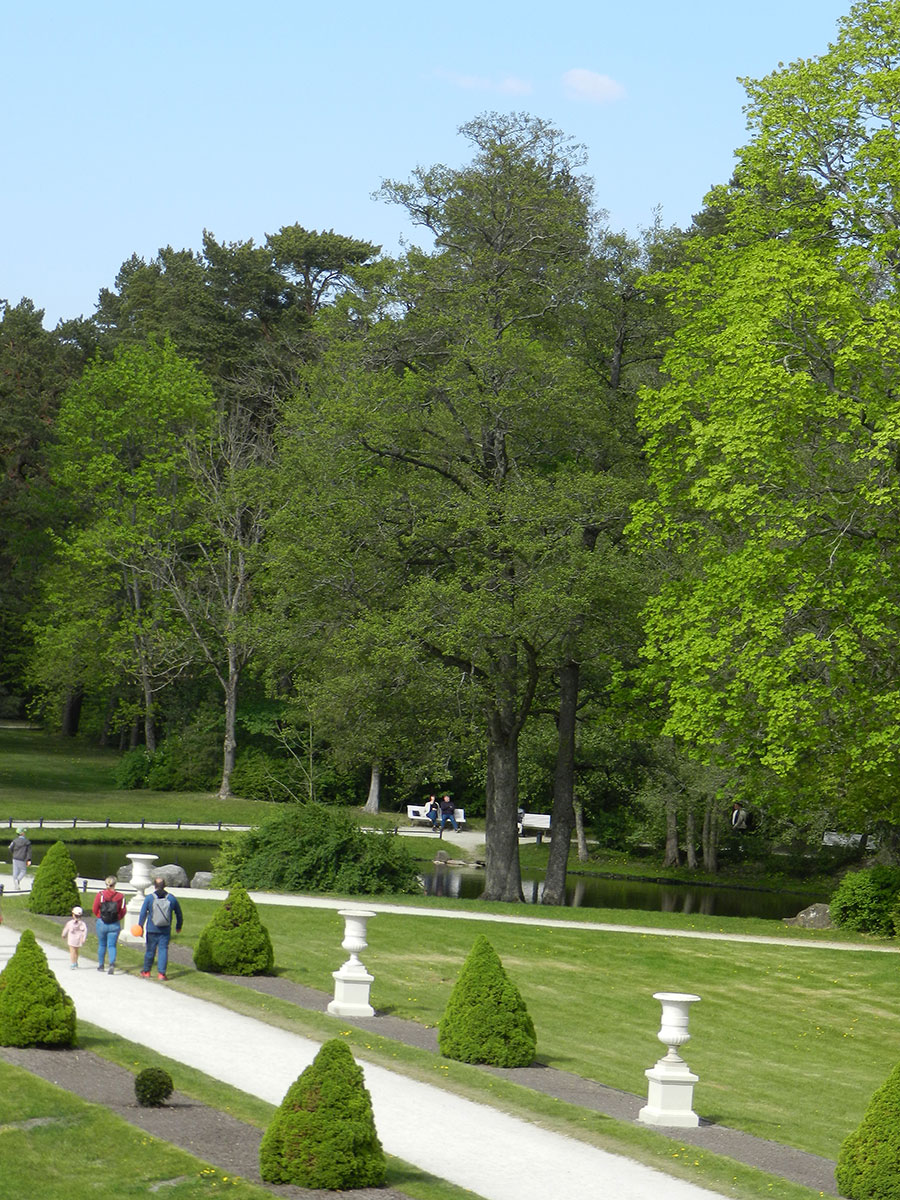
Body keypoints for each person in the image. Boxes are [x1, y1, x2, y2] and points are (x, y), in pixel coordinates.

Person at [138, 876, 183, 981]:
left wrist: (140, 926)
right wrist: (178, 926)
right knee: (163, 950)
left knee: (150, 950)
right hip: (165, 930)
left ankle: (146, 971)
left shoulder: (149, 898)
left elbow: (143, 913)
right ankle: (161, 974)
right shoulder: (171, 898)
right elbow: (179, 913)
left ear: (154, 886)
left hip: (152, 929)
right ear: (164, 885)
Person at [92, 874, 127, 975]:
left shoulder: (100, 895)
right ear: (115, 884)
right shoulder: (121, 896)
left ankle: (101, 965)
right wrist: (118, 917)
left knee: (102, 944)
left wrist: (100, 916)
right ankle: (111, 964)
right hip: (114, 923)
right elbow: (123, 910)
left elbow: (95, 908)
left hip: (102, 922)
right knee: (112, 945)